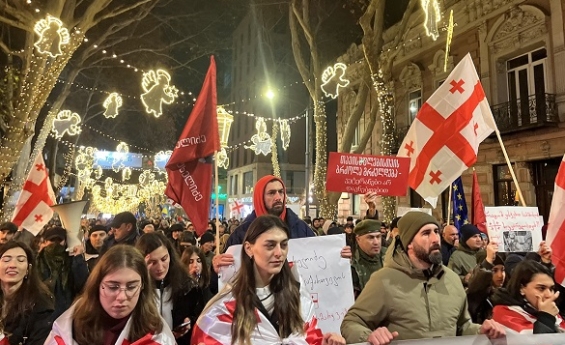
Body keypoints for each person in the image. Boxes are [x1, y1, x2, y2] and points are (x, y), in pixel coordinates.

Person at [340, 211, 505, 344]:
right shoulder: (384, 280)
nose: (435, 239)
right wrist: (369, 336)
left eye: (436, 232)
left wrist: (480, 331)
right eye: (426, 233)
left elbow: (461, 327)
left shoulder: (452, 280)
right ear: (409, 243)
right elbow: (351, 323)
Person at [192, 215, 345, 345]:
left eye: (284, 245)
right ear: (248, 248)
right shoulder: (224, 308)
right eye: (270, 245)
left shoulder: (298, 295)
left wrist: (325, 342)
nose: (279, 253)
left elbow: (310, 338)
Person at [45, 245, 175, 345]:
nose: (122, 297)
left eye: (131, 287)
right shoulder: (70, 326)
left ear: (143, 287)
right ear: (97, 285)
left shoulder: (156, 334)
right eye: (113, 287)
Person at [136, 233, 206, 345]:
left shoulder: (187, 286)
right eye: (152, 262)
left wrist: (190, 322)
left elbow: (202, 316)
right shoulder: (135, 288)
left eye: (164, 259)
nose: (160, 267)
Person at [0, 241, 54, 345]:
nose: (12, 265)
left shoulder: (41, 306)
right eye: (6, 260)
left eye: (20, 260)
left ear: (28, 269)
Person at [491, 259, 564, 333]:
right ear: (521, 288)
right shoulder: (504, 315)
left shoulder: (551, 312)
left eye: (551, 289)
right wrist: (546, 318)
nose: (549, 295)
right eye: (541, 288)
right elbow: (535, 342)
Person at [36, 226, 89, 320]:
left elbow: (82, 284)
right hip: (42, 315)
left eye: (59, 240)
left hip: (66, 313)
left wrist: (78, 259)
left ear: (65, 242)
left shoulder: (71, 261)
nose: (56, 243)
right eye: (52, 240)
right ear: (45, 242)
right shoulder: (38, 261)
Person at [351, 220, 386, 297]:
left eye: (378, 237)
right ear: (358, 239)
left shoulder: (389, 256)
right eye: (370, 238)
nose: (376, 242)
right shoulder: (352, 263)